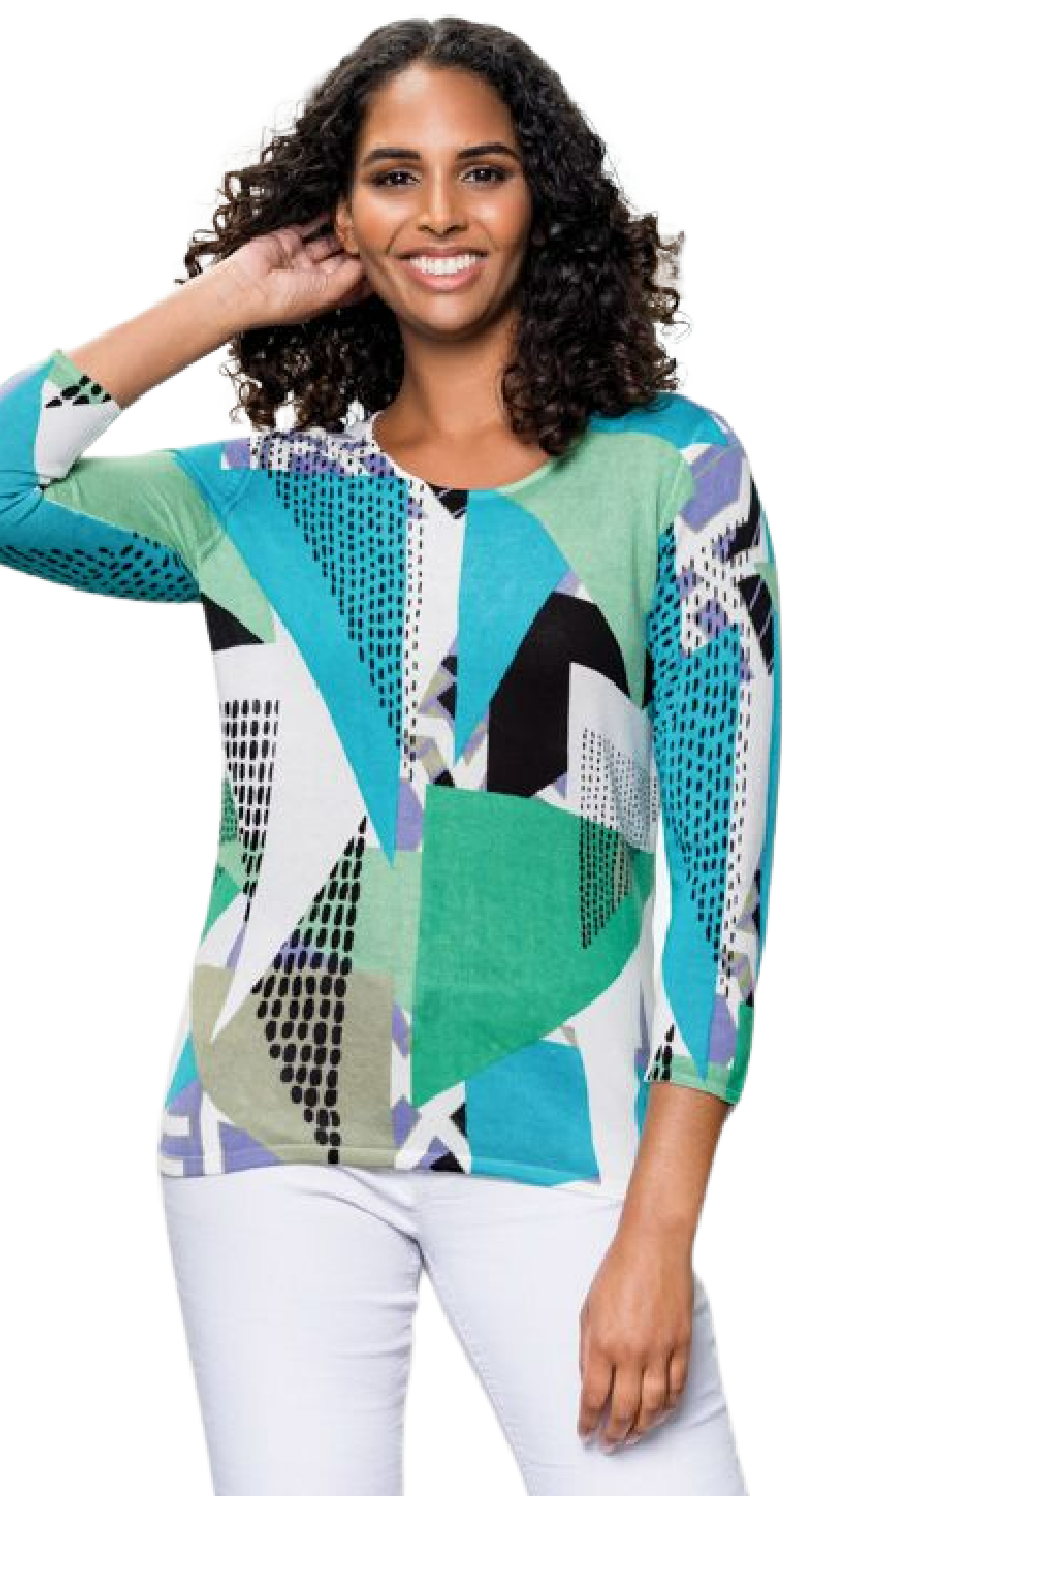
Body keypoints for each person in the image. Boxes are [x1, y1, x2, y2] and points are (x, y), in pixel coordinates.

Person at [0, 17, 781, 1495]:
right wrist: (228, 297)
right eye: (392, 177)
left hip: (565, 1132)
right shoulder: (260, 493)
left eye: (482, 171)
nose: (439, 213)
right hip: (263, 1127)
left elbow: (722, 873)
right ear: (339, 215)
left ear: (541, 200)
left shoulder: (675, 471)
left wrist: (662, 1223)